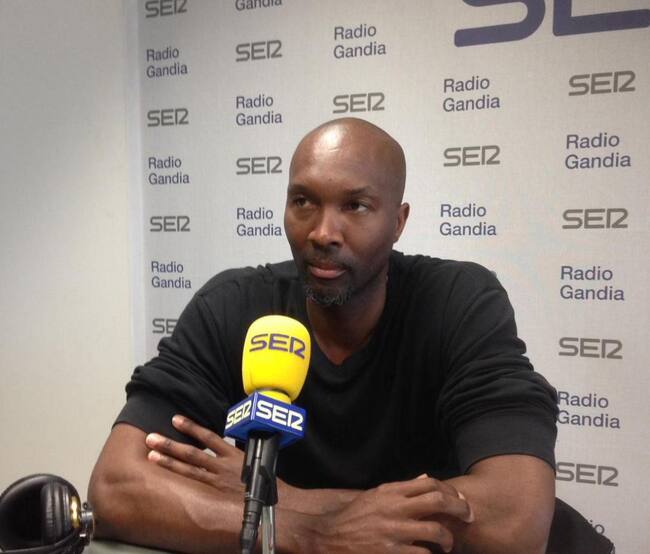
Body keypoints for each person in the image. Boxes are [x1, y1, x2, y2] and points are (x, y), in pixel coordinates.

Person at [89, 117, 558, 553]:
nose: (322, 232)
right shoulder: (232, 306)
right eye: (303, 202)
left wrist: (278, 497)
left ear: (398, 222)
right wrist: (312, 535)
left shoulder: (458, 302)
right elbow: (115, 488)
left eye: (355, 206)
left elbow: (517, 518)